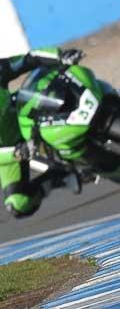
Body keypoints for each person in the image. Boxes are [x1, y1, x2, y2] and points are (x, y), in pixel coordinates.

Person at [0, 48, 83, 218]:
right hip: (10, 152)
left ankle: (117, 103)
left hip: (27, 116)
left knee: (58, 89)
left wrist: (60, 55)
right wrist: (15, 153)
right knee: (18, 204)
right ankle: (58, 175)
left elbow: (30, 58)